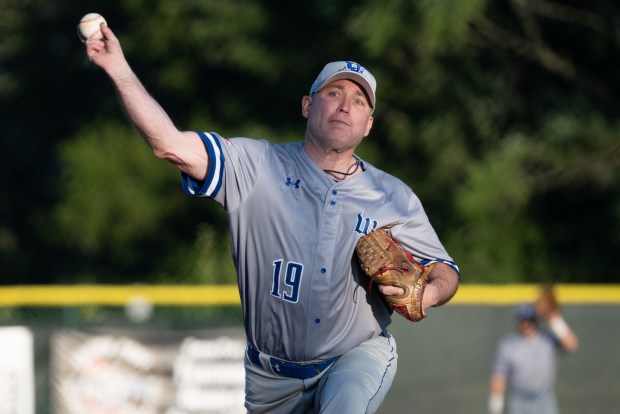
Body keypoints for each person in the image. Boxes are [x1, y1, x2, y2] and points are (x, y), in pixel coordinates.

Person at [84, 22, 460, 414]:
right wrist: (119, 69)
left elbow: (446, 270)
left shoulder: (393, 196)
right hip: (270, 379)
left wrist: (429, 292)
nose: (346, 105)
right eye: (334, 93)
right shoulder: (257, 166)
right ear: (307, 105)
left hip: (355, 355)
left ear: (368, 125)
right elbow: (169, 144)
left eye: (360, 101)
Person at [488, 292, 579, 414]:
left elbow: (571, 345)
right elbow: (498, 378)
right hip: (518, 400)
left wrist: (553, 319)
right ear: (518, 320)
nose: (526, 324)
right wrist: (495, 408)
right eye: (522, 320)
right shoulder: (508, 345)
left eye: (529, 319)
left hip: (544, 399)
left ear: (534, 320)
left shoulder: (547, 339)